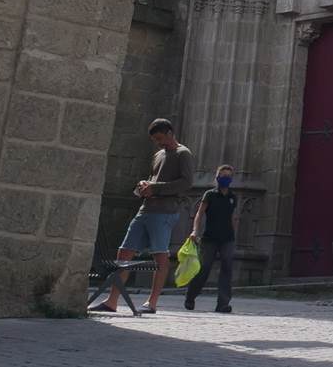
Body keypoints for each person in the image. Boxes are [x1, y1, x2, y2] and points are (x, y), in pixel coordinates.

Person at [95, 118, 193, 314]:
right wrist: (143, 185)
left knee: (160, 256)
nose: (158, 143)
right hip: (145, 209)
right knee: (124, 253)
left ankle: (152, 302)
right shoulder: (158, 154)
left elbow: (186, 183)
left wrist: (155, 188)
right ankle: (112, 300)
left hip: (164, 212)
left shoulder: (183, 154)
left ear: (170, 133)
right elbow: (152, 178)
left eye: (160, 138)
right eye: (155, 139)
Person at [185, 163, 240, 313]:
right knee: (204, 268)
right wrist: (195, 231)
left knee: (227, 268)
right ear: (217, 177)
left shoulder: (232, 197)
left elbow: (233, 217)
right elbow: (199, 214)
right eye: (223, 176)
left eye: (229, 176)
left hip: (227, 238)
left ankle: (223, 304)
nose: (226, 179)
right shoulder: (209, 194)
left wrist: (233, 236)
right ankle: (191, 297)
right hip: (210, 238)